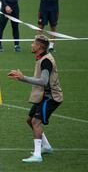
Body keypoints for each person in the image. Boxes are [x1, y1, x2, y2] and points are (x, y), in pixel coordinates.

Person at [8, 34, 63, 163]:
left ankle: (37, 155)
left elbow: (44, 81)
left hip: (51, 97)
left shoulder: (46, 61)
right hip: (43, 95)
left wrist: (23, 78)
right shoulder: (41, 58)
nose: (31, 45)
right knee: (29, 120)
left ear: (40, 47)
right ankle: (47, 147)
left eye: (33, 43)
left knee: (35, 122)